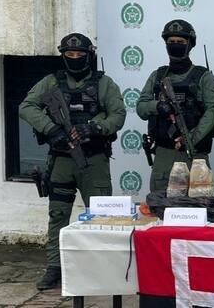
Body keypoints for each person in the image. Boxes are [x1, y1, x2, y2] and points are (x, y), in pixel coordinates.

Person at [19, 33, 126, 290]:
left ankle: (102, 268)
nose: (75, 59)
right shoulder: (50, 82)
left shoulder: (104, 84)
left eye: (80, 55)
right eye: (70, 55)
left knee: (101, 217)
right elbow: (26, 107)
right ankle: (55, 267)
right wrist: (51, 129)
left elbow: (118, 115)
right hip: (62, 160)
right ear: (63, 56)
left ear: (89, 56)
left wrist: (94, 127)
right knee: (58, 215)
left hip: (93, 161)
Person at [137, 19, 214, 191]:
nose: (175, 45)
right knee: (160, 203)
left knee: (200, 202)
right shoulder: (157, 76)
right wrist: (158, 106)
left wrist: (190, 138)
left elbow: (212, 112)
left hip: (195, 154)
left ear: (190, 44)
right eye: (171, 41)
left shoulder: (204, 77)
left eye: (180, 42)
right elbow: (141, 107)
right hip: (164, 155)